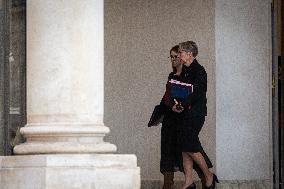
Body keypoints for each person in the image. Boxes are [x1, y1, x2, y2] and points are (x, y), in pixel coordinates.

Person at [160, 45, 213, 189]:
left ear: (189, 54)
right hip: (184, 113)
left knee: (189, 144)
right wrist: (176, 103)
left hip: (196, 114)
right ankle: (188, 181)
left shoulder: (199, 71)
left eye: (181, 52)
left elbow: (197, 94)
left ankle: (208, 175)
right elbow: (177, 91)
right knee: (184, 145)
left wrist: (182, 102)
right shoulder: (185, 71)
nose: (179, 54)